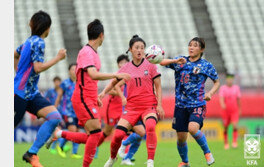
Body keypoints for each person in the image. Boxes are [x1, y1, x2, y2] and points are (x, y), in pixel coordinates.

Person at [46, 19, 130, 167]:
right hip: (82, 98)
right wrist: (116, 75)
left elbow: (89, 79)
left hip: (89, 98)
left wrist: (96, 96)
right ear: (101, 35)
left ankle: (58, 134)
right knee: (96, 134)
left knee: (93, 137)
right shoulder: (86, 52)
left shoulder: (93, 53)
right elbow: (92, 74)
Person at [102, 35, 165, 167]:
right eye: (137, 47)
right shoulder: (125, 68)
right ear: (130, 49)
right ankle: (112, 158)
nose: (139, 50)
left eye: (142, 48)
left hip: (149, 106)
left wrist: (159, 105)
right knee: (118, 135)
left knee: (150, 127)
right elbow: (114, 81)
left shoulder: (151, 66)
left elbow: (158, 87)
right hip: (132, 108)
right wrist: (103, 93)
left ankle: (150, 162)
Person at [14, 10, 67, 167]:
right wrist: (58, 58)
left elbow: (15, 55)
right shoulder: (38, 42)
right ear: (47, 28)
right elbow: (37, 68)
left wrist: (20, 73)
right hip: (20, 94)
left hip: (31, 93)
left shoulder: (28, 41)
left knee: (54, 117)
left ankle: (31, 153)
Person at [160, 37, 220, 167]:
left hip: (197, 105)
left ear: (201, 49)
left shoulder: (206, 65)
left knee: (192, 128)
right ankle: (185, 162)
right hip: (180, 106)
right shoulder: (180, 60)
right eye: (190, 45)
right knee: (181, 138)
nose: (191, 47)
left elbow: (217, 82)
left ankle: (207, 153)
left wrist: (210, 93)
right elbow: (161, 62)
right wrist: (175, 60)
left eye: (195, 45)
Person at [97, 54, 145, 166]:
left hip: (128, 108)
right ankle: (95, 148)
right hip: (113, 107)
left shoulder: (132, 74)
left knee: (135, 132)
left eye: (125, 62)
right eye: (121, 62)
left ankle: (126, 155)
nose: (123, 64)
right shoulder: (118, 75)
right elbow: (111, 89)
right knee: (107, 131)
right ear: (118, 64)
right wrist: (122, 96)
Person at [53, 63, 82, 159]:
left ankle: (74, 153)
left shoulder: (80, 83)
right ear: (69, 71)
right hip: (67, 112)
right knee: (73, 131)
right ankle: (60, 145)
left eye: (76, 69)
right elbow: (59, 96)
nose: (74, 71)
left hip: (78, 112)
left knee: (77, 133)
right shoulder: (65, 83)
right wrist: (54, 109)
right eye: (72, 69)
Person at [219, 73, 241, 149]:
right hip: (226, 111)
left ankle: (234, 142)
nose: (230, 80)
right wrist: (222, 104)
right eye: (228, 79)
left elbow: (238, 99)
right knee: (225, 127)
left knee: (235, 125)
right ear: (226, 80)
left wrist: (239, 109)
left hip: (234, 110)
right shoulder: (223, 88)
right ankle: (226, 143)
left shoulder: (236, 88)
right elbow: (221, 97)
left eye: (231, 79)